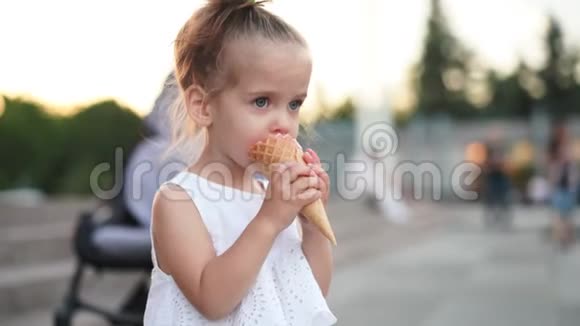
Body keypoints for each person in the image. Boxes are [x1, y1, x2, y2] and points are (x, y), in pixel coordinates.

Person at [143, 1, 337, 325]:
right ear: (203, 106)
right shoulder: (179, 202)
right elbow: (212, 300)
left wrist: (311, 226)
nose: (284, 123)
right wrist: (269, 220)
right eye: (262, 101)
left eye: (294, 104)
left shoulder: (273, 198)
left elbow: (311, 293)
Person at [547, 122, 578, 248]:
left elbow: (572, 169)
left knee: (566, 214)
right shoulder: (555, 151)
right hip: (560, 187)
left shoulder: (566, 150)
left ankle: (566, 236)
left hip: (567, 187)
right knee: (560, 214)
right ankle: (563, 237)